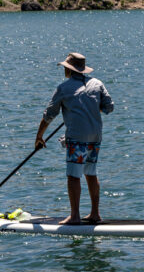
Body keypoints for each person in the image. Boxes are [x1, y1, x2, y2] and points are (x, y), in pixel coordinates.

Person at [36, 52, 114, 225]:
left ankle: (75, 216)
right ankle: (95, 214)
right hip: (95, 136)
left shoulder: (64, 88)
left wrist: (39, 136)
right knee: (91, 173)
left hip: (77, 137)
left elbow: (49, 115)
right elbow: (109, 107)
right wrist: (91, 108)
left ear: (68, 70)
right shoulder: (97, 83)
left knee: (73, 176)